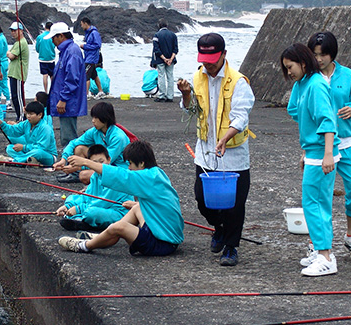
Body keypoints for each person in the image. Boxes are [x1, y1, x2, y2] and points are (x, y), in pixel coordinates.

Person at [177, 32, 254, 267]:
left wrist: (225, 137)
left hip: (233, 152)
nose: (207, 66)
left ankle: (231, 247)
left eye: (212, 61)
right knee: (202, 199)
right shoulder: (197, 77)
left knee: (234, 204)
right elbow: (190, 111)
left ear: (224, 55)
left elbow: (241, 116)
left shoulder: (238, 81)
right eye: (204, 60)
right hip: (206, 152)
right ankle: (218, 228)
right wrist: (186, 94)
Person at [58, 140, 184, 256]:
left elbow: (120, 175)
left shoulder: (147, 177)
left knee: (118, 227)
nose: (129, 168)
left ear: (141, 163)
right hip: (161, 232)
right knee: (137, 208)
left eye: (130, 164)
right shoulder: (156, 173)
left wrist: (85, 162)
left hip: (162, 243)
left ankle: (84, 246)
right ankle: (102, 236)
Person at [281, 42, 340, 276]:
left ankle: (325, 256)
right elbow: (294, 110)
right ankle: (321, 251)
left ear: (303, 63)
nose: (288, 72)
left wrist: (327, 155)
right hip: (313, 151)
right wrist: (308, 151)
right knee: (316, 204)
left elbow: (327, 121)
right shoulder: (305, 83)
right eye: (286, 68)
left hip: (321, 154)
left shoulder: (315, 85)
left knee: (314, 205)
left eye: (290, 67)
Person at [307, 32, 351, 253]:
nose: (319, 59)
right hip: (321, 147)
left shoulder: (347, 75)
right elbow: (297, 111)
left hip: (346, 141)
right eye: (315, 55)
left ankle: (349, 235)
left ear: (332, 54)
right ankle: (316, 243)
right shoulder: (309, 80)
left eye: (323, 54)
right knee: (319, 196)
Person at [56, 144, 134, 232]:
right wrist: (68, 206)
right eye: (95, 162)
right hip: (101, 208)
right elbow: (87, 196)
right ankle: (84, 221)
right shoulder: (95, 176)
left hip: (118, 213)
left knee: (91, 213)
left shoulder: (114, 176)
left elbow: (103, 202)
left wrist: (78, 209)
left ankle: (85, 223)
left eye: (101, 161)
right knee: (72, 203)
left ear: (109, 160)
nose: (98, 165)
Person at [53, 101, 130, 184]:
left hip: (118, 168)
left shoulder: (118, 137)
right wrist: (63, 160)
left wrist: (78, 167)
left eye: (96, 118)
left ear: (105, 118)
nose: (93, 121)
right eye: (92, 118)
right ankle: (75, 175)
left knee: (84, 176)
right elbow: (73, 143)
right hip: (102, 162)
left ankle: (79, 174)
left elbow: (106, 162)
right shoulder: (95, 131)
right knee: (79, 148)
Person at [45, 21, 87, 148]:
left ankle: (70, 163)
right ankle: (69, 161)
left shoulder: (72, 51)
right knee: (66, 134)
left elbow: (72, 78)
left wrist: (63, 99)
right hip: (67, 99)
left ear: (61, 36)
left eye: (53, 37)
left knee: (68, 136)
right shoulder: (68, 51)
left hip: (69, 101)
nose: (52, 41)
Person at [0, 101, 57, 165]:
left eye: (31, 114)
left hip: (48, 155)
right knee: (10, 148)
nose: (28, 116)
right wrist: (1, 123)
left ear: (40, 115)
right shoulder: (27, 123)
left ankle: (14, 161)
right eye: (27, 113)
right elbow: (14, 130)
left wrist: (23, 147)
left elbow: (42, 147)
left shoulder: (45, 128)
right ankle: (29, 161)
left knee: (37, 152)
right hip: (31, 151)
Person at [152, 19, 178, 102]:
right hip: (171, 59)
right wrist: (170, 59)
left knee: (161, 77)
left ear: (159, 25)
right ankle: (170, 96)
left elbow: (156, 49)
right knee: (170, 77)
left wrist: (164, 58)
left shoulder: (157, 35)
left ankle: (162, 95)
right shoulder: (173, 35)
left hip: (160, 59)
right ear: (167, 25)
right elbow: (176, 49)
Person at [7, 21, 29, 122]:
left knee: (19, 97)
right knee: (14, 97)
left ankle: (22, 118)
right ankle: (19, 116)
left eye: (15, 30)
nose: (13, 33)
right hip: (14, 73)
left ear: (21, 31)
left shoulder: (21, 43)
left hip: (18, 74)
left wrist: (8, 53)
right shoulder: (17, 43)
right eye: (12, 31)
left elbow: (11, 56)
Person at [80, 17, 105, 99]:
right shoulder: (89, 33)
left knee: (86, 75)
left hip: (91, 58)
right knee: (94, 75)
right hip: (89, 57)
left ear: (85, 23)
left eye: (82, 24)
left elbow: (98, 45)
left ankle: (86, 94)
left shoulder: (94, 33)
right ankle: (100, 91)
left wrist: (85, 46)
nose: (81, 26)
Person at [35, 22, 56, 93]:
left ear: (45, 27)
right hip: (51, 58)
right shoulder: (52, 36)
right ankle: (53, 90)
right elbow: (54, 46)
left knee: (45, 75)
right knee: (52, 75)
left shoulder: (40, 37)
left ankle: (46, 91)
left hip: (42, 59)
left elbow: (37, 49)